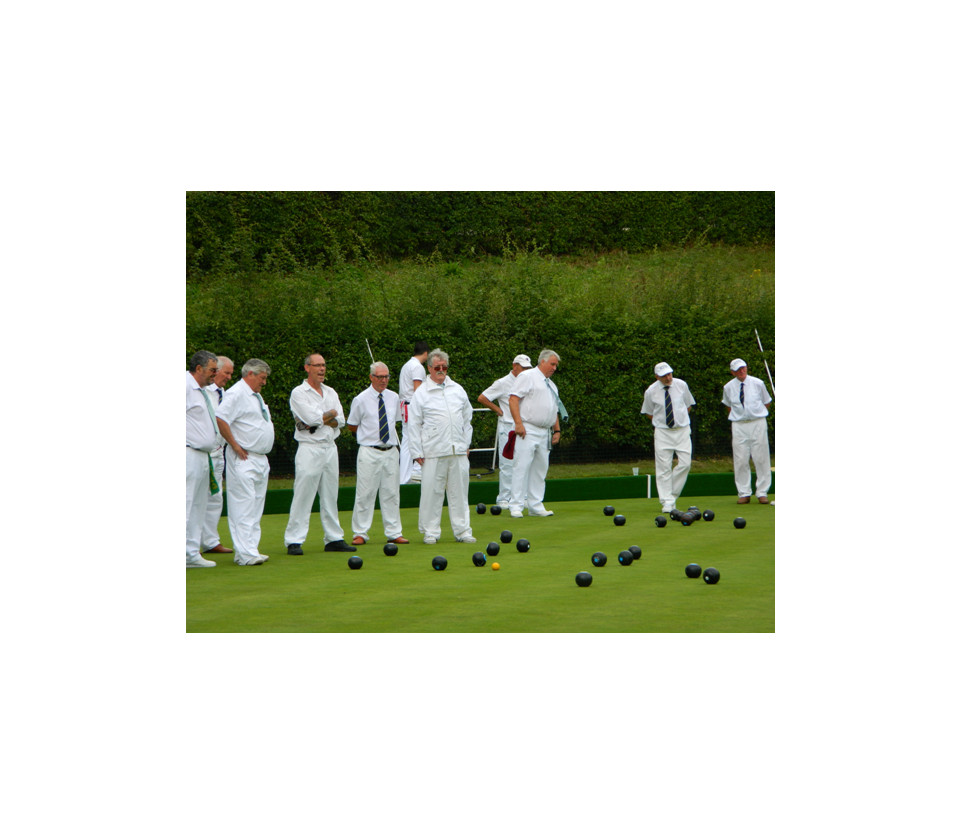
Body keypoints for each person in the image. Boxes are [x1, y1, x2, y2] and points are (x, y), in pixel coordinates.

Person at [283, 354, 352, 554]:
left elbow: (341, 421)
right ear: (307, 368)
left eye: (323, 365)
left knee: (330, 495)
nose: (322, 369)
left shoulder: (331, 392)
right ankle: (294, 540)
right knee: (303, 494)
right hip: (309, 448)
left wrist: (324, 417)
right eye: (317, 365)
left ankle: (333, 538)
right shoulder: (299, 393)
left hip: (330, 447)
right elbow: (310, 419)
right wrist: (328, 415)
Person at [407, 349, 476, 544]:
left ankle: (463, 531)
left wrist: (466, 443)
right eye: (437, 367)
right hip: (433, 451)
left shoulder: (457, 389)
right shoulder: (422, 393)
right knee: (431, 494)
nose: (441, 370)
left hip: (458, 451)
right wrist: (416, 451)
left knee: (460, 494)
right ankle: (430, 532)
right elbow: (414, 424)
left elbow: (467, 419)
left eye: (444, 367)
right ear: (429, 368)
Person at [216, 358, 275, 565]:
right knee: (243, 505)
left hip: (260, 458)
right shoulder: (236, 393)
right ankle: (245, 554)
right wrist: (234, 445)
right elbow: (221, 418)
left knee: (255, 506)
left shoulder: (255, 395)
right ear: (250, 374)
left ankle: (251, 549)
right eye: (262, 378)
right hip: (244, 457)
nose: (264, 382)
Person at [346, 362, 409, 546]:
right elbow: (352, 425)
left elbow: (394, 421)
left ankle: (394, 532)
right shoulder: (361, 399)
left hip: (390, 450)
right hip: (369, 451)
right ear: (371, 377)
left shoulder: (393, 397)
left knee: (392, 492)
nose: (383, 380)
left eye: (386, 377)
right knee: (365, 493)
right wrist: (367, 436)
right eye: (380, 377)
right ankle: (360, 533)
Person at [507, 350, 565, 518]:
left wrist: (557, 429)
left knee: (540, 469)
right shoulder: (527, 376)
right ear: (542, 362)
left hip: (545, 432)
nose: (554, 368)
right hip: (528, 428)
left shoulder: (551, 385)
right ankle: (516, 505)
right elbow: (513, 399)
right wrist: (518, 423)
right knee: (521, 466)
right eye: (552, 364)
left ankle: (535, 505)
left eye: (556, 365)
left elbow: (553, 409)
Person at [478, 354, 533, 508]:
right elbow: (482, 397)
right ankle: (504, 498)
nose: (526, 371)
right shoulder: (502, 383)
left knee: (524, 463)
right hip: (508, 427)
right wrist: (498, 409)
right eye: (523, 368)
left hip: (524, 427)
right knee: (507, 464)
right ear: (515, 366)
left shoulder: (529, 382)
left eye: (528, 368)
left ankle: (523, 497)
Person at [641, 361, 696, 513]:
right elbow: (649, 413)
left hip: (682, 430)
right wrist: (663, 423)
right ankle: (667, 501)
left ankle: (671, 495)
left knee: (685, 464)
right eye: (664, 376)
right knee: (663, 467)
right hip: (663, 432)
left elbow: (688, 406)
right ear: (656, 377)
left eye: (669, 374)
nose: (668, 378)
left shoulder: (681, 385)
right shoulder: (651, 391)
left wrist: (678, 421)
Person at [722, 358, 773, 504]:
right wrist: (741, 416)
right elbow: (728, 406)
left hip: (758, 423)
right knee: (740, 459)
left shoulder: (758, 383)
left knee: (761, 457)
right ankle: (744, 493)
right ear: (732, 372)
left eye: (743, 368)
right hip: (739, 425)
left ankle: (762, 492)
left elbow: (766, 402)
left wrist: (754, 415)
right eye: (738, 370)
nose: (741, 371)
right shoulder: (728, 387)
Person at [186, 350, 219, 568]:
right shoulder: (184, 386)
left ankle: (190, 554)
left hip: (203, 455)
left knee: (198, 505)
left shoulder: (203, 391)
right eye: (212, 370)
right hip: (187, 453)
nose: (215, 374)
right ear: (199, 368)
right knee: (185, 503)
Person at [201, 356, 234, 555]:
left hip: (219, 453)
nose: (229, 377)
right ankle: (189, 544)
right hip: (202, 453)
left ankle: (210, 541)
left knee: (215, 497)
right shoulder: (203, 392)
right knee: (194, 498)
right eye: (226, 373)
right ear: (216, 371)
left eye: (231, 374)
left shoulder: (226, 394)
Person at [398, 340, 430, 484]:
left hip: (405, 406)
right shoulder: (418, 367)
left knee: (407, 441)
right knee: (419, 439)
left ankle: (405, 476)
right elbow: (418, 390)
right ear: (426, 353)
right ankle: (415, 472)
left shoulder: (407, 365)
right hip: (413, 407)